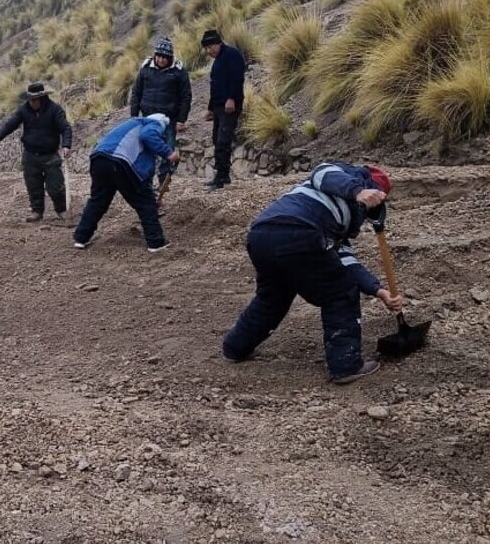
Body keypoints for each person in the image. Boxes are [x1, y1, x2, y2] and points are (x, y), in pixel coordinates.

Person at [221, 161, 404, 384]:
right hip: (300, 231)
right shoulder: (344, 176)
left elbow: (346, 260)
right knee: (340, 292)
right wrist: (358, 190)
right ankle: (346, 365)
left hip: (262, 236)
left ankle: (235, 347)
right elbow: (322, 172)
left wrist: (378, 290)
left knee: (273, 297)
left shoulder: (337, 216)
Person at [72, 114, 180, 252]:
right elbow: (147, 135)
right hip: (119, 162)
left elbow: (144, 171)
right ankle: (156, 242)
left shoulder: (130, 125)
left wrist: (149, 192)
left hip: (99, 159)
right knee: (144, 204)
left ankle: (81, 238)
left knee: (97, 201)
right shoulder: (153, 123)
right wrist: (169, 153)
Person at [0, 82, 73, 223]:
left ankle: (61, 210)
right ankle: (37, 212)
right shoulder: (24, 110)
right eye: (30, 100)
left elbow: (65, 128)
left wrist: (66, 145)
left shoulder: (55, 109)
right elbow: (10, 124)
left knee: (56, 186)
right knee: (33, 186)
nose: (32, 102)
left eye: (34, 100)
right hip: (30, 155)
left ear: (42, 98)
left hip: (50, 155)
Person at [129, 36, 192, 188]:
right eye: (159, 56)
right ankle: (146, 181)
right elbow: (136, 93)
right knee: (147, 149)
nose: (161, 59)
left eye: (165, 57)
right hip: (148, 118)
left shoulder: (179, 72)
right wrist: (134, 116)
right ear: (155, 55)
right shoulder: (146, 69)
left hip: (168, 119)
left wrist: (181, 120)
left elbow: (186, 97)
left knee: (167, 150)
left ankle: (164, 179)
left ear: (170, 57)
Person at [201, 29, 247, 192]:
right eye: (206, 49)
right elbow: (215, 86)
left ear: (218, 43)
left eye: (210, 47)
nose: (208, 51)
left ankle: (220, 178)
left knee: (223, 140)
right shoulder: (218, 61)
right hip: (219, 106)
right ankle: (223, 174)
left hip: (230, 106)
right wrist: (210, 109)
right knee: (216, 139)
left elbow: (238, 78)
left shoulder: (232, 55)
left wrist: (232, 98)